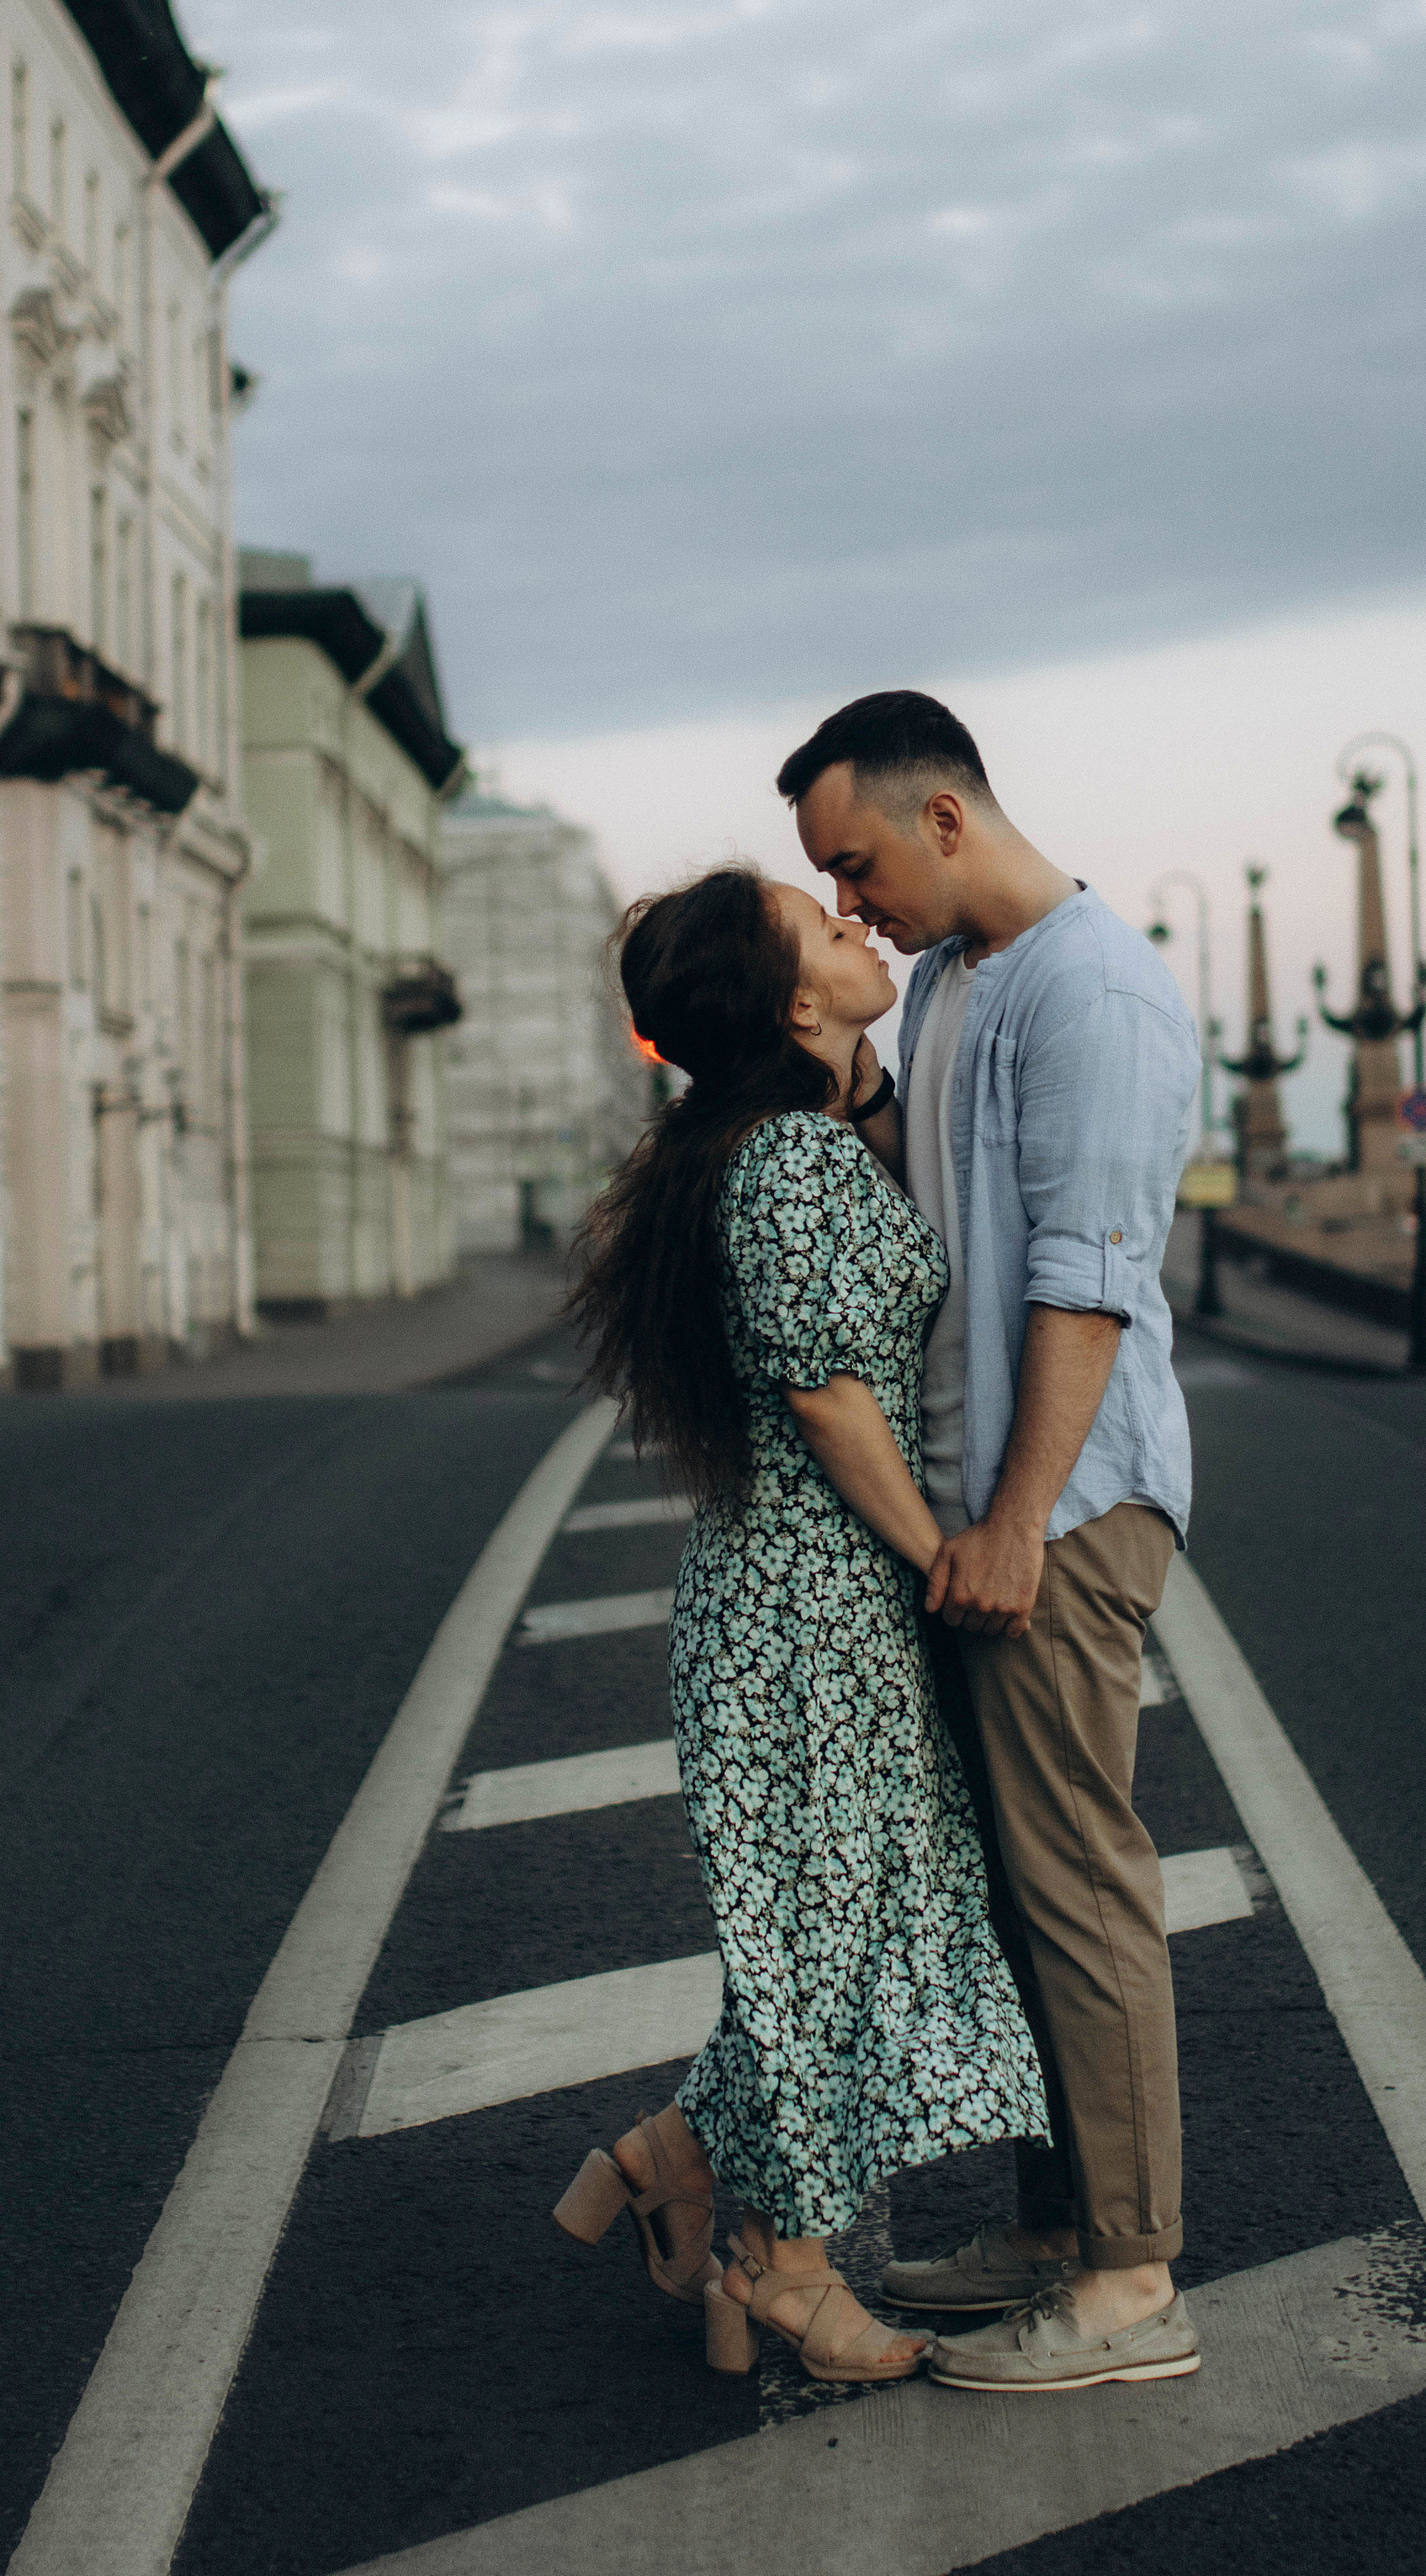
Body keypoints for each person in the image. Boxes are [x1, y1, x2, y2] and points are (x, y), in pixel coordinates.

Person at [555, 865, 1047, 2383]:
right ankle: (783, 2267)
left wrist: (860, 1062)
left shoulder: (790, 1139)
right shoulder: (784, 1167)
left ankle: (678, 2168)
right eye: (825, 927)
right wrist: (946, 1553)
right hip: (806, 1616)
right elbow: (827, 1392)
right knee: (822, 1945)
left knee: (825, 1937)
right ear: (786, 1000)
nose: (861, 927)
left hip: (809, 1609)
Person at [776, 688, 1206, 2396]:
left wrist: (1019, 1519)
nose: (846, 903)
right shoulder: (957, 980)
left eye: (854, 862)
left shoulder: (1089, 989)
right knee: (1018, 1890)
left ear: (940, 813)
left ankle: (1128, 2282)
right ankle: (1054, 2223)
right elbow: (937, 1202)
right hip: (975, 1509)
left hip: (1067, 1504)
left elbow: (1081, 1279)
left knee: (1077, 1880)